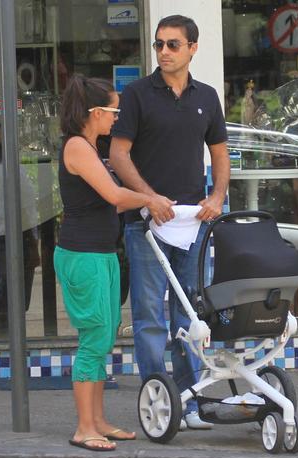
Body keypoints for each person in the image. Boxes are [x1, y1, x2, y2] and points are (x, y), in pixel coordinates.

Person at [109, 15, 230, 430]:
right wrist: (148, 198)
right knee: (148, 317)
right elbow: (118, 155)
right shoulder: (138, 94)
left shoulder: (208, 97)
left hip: (193, 220)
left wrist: (216, 197)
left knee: (190, 316)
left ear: (193, 48)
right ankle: (159, 405)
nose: (163, 52)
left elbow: (220, 153)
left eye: (173, 45)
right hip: (146, 222)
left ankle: (190, 403)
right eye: (159, 44)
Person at [56, 74, 173, 451]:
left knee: (103, 338)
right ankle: (83, 427)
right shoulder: (76, 147)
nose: (116, 119)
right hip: (82, 254)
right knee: (93, 339)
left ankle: (98, 420)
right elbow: (114, 196)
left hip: (102, 254)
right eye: (112, 111)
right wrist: (150, 200)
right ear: (94, 112)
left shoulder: (92, 147)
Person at [0, 123, 40, 339]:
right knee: (11, 290)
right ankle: (9, 338)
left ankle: (9, 335)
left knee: (9, 288)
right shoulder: (7, 168)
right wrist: (33, 238)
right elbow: (23, 206)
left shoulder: (2, 167)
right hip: (13, 235)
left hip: (8, 233)